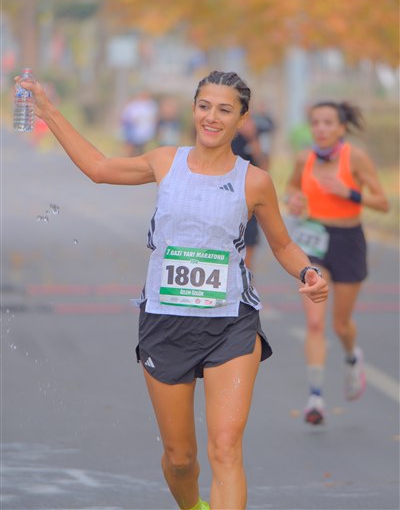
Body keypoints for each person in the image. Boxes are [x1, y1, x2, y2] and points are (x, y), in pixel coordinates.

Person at [16, 70, 328, 510]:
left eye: (225, 110)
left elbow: (283, 245)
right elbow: (100, 169)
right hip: (165, 322)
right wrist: (48, 111)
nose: (212, 117)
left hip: (231, 324)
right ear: (194, 110)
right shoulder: (165, 161)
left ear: (242, 119)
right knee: (181, 459)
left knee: (226, 448)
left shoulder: (254, 181)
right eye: (204, 106)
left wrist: (308, 272)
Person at [285, 100, 389, 426]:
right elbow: (291, 186)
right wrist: (293, 199)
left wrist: (350, 193)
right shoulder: (304, 158)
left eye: (328, 122)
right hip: (314, 241)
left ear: (342, 127)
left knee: (340, 325)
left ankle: (351, 355)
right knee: (315, 323)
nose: (321, 128)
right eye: (316, 122)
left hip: (348, 241)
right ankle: (315, 398)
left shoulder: (355, 157)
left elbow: (383, 202)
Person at [231, 116, 270, 270]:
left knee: (245, 265)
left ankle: (245, 284)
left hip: (247, 203)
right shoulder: (225, 132)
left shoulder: (259, 132)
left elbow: (264, 167)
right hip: (224, 199)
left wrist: (252, 138)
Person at [120, 90, 158, 156]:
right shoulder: (133, 105)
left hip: (145, 134)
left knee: (143, 152)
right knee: (132, 152)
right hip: (133, 132)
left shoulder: (151, 105)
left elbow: (154, 118)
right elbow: (126, 118)